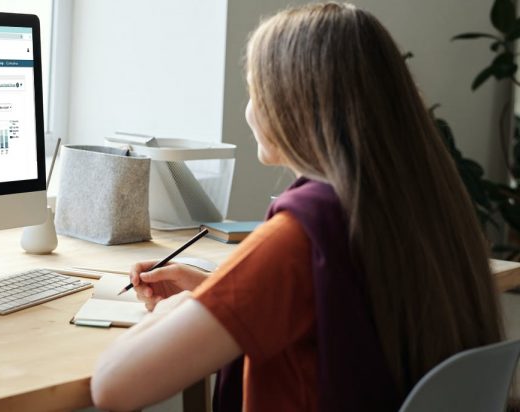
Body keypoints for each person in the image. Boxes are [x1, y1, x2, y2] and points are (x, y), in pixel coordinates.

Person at [90, 2, 505, 412]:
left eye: (255, 91)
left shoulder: (303, 235)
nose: (249, 110)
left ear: (293, 105)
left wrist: (187, 308)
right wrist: (223, 297)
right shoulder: (420, 202)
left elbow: (112, 387)